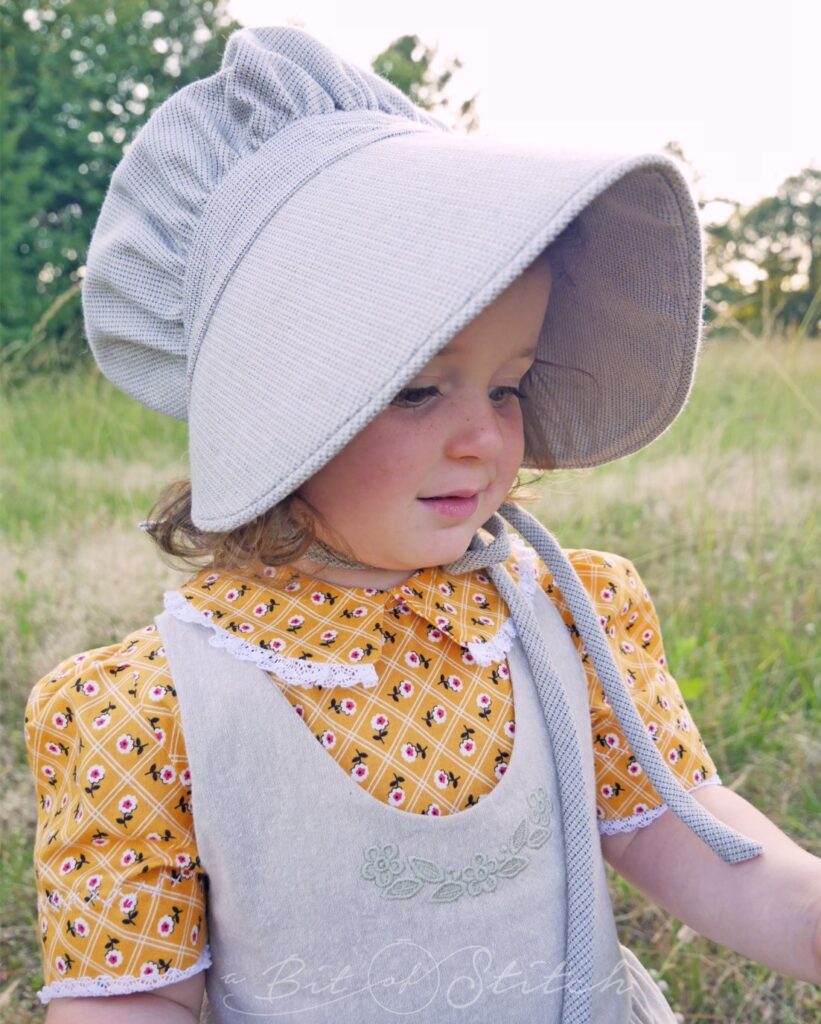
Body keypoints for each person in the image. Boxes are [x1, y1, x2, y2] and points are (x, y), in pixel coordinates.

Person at [24, 24, 820, 1024]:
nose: (482, 437)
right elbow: (136, 1002)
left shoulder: (566, 619)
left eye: (509, 384)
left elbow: (682, 829)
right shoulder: (151, 707)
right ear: (273, 404)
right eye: (414, 390)